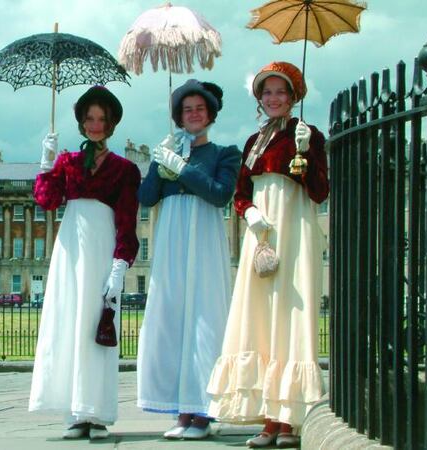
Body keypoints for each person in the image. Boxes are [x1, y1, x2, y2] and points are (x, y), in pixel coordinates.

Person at [206, 61, 329, 448]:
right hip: (260, 237)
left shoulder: (309, 137)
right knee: (259, 316)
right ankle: (267, 419)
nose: (274, 98)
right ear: (259, 98)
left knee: (290, 315)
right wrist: (252, 214)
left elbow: (320, 191)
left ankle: (289, 418)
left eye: (281, 92)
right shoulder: (253, 143)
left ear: (294, 97)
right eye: (267, 92)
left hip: (294, 231)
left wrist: (306, 155)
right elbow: (241, 194)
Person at [28, 85, 141, 440]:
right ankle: (76, 413)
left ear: (111, 125)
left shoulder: (125, 169)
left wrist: (120, 266)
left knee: (97, 329)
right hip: (70, 251)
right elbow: (46, 201)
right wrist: (46, 163)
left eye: (102, 119)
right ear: (81, 122)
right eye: (90, 118)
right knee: (69, 326)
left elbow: (127, 220)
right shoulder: (68, 163)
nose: (95, 125)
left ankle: (98, 413)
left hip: (101, 249)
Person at [136, 79, 242, 440]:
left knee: (203, 317)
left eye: (199, 108)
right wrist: (157, 162)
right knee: (172, 318)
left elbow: (219, 194)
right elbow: (148, 197)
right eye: (186, 109)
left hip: (204, 236)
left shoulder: (224, 153)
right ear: (179, 117)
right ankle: (181, 409)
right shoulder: (169, 152)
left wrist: (181, 168)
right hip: (171, 239)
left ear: (210, 114)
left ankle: (203, 412)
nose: (193, 114)